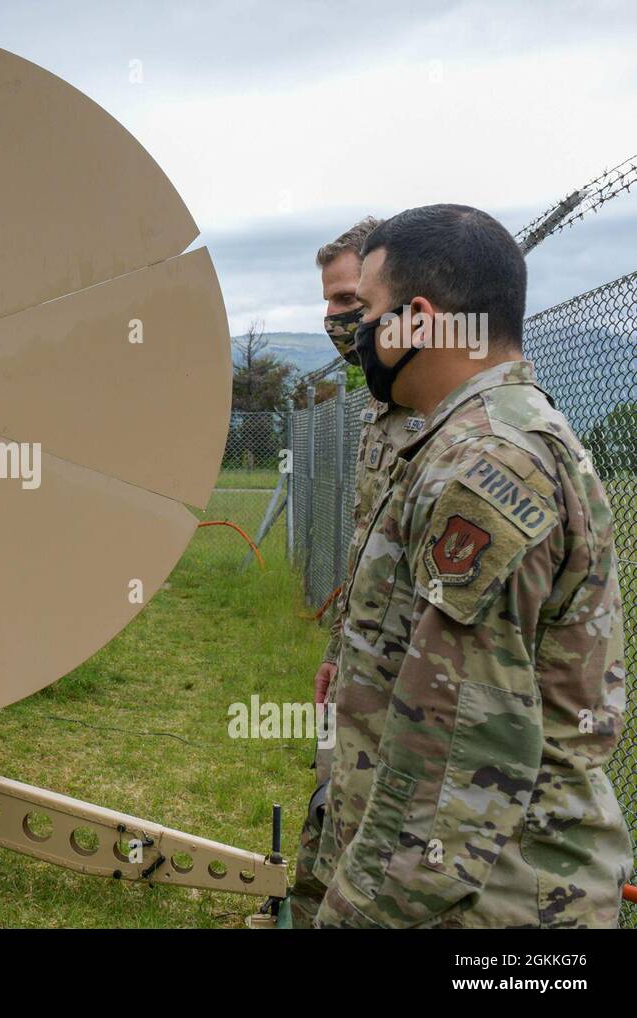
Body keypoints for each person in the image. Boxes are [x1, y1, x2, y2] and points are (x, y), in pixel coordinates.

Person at [313, 205, 630, 927]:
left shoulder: (483, 463)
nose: (356, 331)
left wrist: (359, 913)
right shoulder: (471, 439)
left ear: (418, 321)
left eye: (365, 309)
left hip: (487, 897)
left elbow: (454, 748)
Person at [287, 216, 424, 928]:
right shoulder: (379, 412)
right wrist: (338, 652)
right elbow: (371, 557)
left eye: (350, 302)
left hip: (409, 721)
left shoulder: (448, 430)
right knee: (329, 835)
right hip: (358, 690)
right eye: (331, 305)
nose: (336, 319)